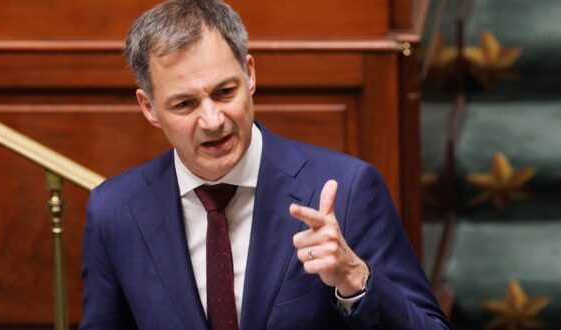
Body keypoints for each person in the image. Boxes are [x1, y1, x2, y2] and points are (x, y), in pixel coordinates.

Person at [80, 1, 451, 329]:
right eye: (185, 105)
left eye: (225, 92)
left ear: (250, 75)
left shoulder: (348, 188)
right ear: (149, 108)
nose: (212, 120)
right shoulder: (115, 211)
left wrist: (355, 279)